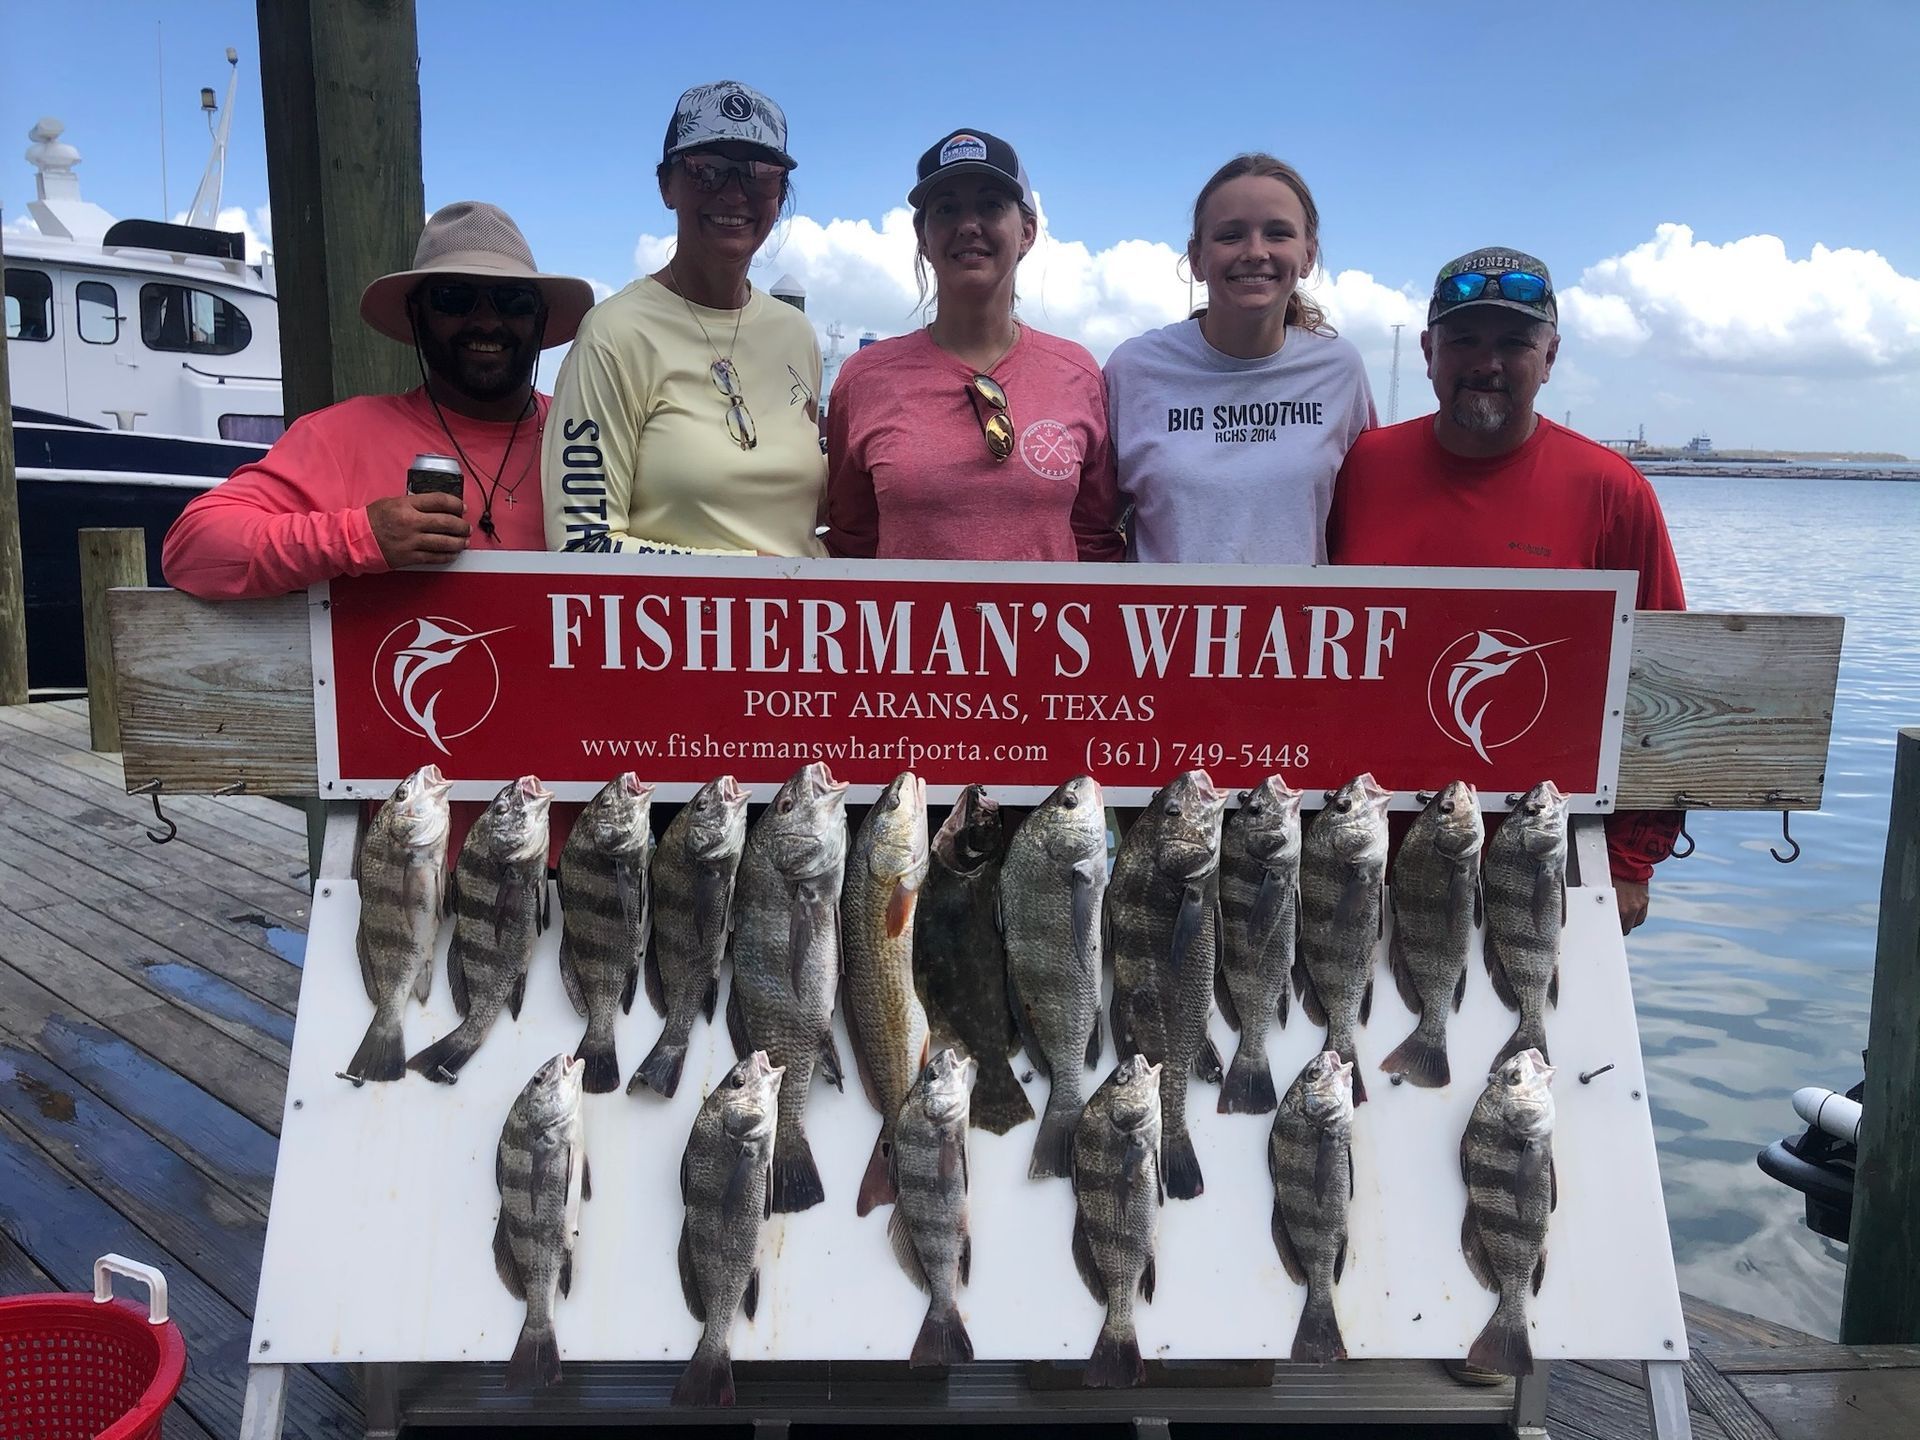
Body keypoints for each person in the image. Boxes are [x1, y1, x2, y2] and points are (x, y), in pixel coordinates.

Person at [1326, 247, 1686, 936]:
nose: (1486, 361)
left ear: (1549, 358)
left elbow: (1664, 684)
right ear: (1430, 352)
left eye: (1515, 343)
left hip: (1542, 863)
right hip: (1363, 860)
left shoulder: (1613, 489)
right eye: (1463, 340)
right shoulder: (1366, 465)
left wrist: (1632, 861)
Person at [162, 202, 593, 598]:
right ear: (416, 314)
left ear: (541, 318)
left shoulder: (593, 437)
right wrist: (362, 536)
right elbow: (192, 549)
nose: (485, 321)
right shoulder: (340, 436)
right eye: (454, 298)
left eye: (512, 300)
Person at [543, 81, 825, 557]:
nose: (734, 193)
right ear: (666, 186)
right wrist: (752, 574)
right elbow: (582, 544)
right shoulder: (614, 335)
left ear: (780, 194)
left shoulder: (795, 332)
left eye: (760, 174)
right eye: (706, 171)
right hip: (674, 631)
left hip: (797, 629)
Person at [822, 129, 1123, 562]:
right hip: (910, 632)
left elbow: (1095, 539)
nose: (968, 226)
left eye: (990, 206)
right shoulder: (864, 378)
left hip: (1047, 631)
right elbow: (852, 542)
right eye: (946, 209)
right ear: (923, 237)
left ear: (1027, 232)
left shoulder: (1077, 372)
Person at [1103, 154, 1374, 563]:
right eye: (1230, 236)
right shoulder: (1133, 369)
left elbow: (1360, 520)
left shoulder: (1340, 370)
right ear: (1196, 258)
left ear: (1308, 255)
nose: (1255, 251)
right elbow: (1091, 523)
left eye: (1278, 233)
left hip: (1296, 625)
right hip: (1162, 627)